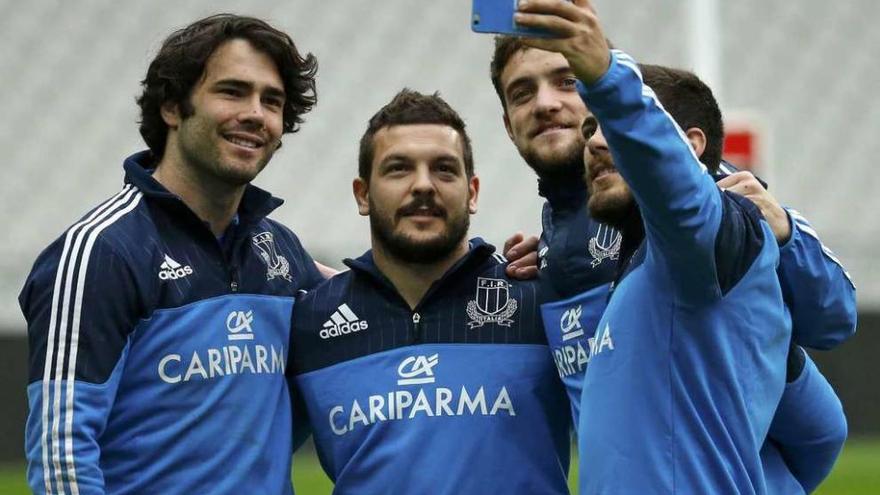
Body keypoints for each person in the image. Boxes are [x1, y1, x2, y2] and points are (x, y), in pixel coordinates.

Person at [489, 21, 855, 494]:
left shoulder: (699, 189)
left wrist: (784, 231)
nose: (544, 103)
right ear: (507, 123)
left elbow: (832, 336)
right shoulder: (554, 244)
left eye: (567, 82)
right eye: (522, 93)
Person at [19, 14, 326, 494]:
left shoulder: (280, 250)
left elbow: (369, 302)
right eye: (232, 91)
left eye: (272, 101)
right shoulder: (100, 252)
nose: (255, 114)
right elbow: (62, 459)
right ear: (171, 107)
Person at [288, 89, 571, 494]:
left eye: (443, 169)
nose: (423, 185)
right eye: (399, 169)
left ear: (472, 192)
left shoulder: (538, 300)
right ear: (362, 194)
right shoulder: (310, 323)